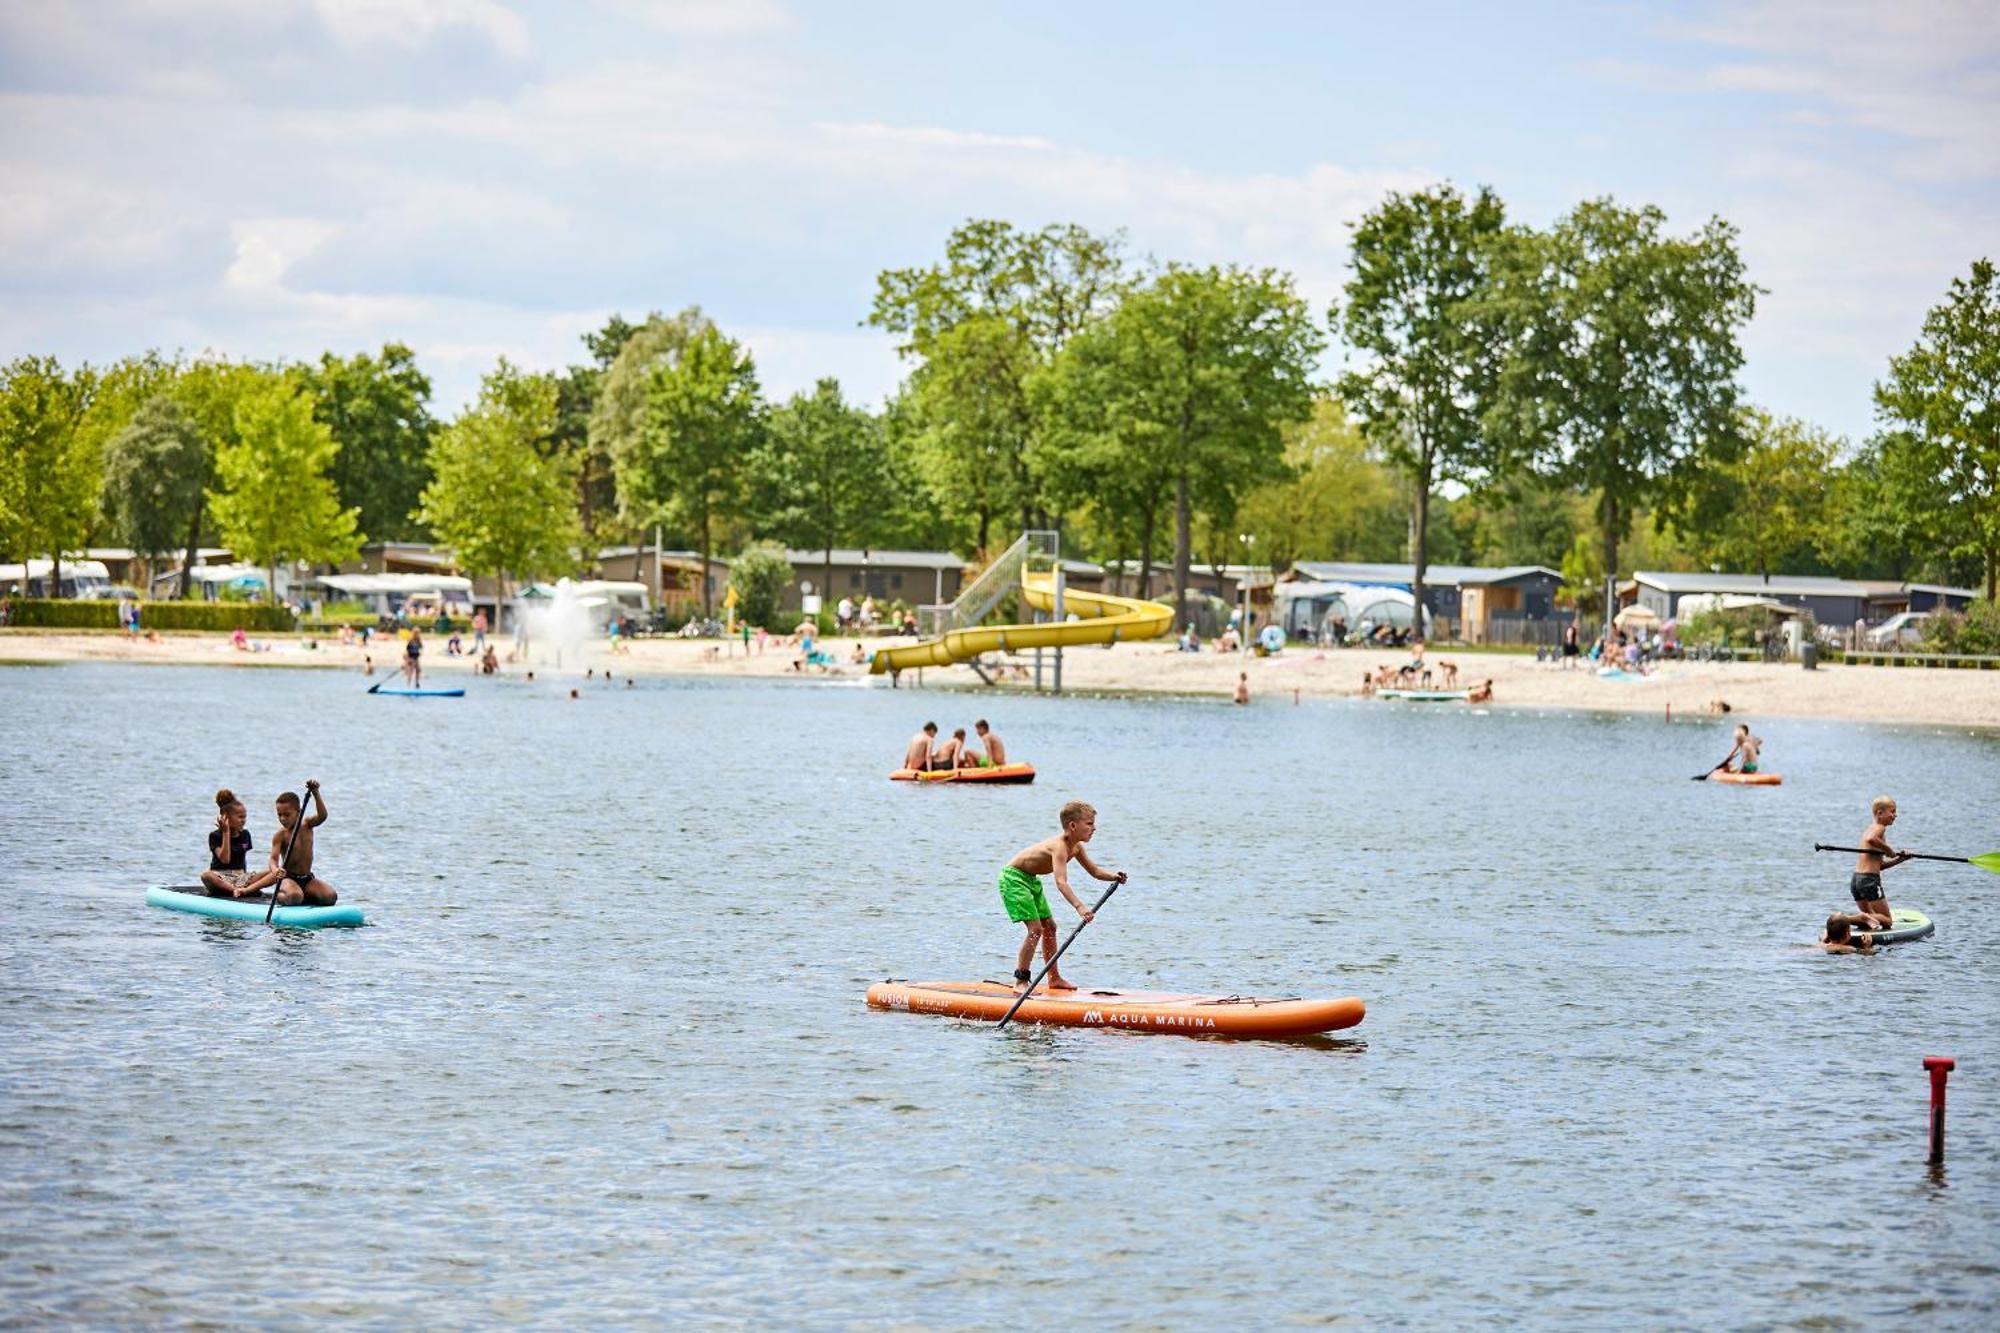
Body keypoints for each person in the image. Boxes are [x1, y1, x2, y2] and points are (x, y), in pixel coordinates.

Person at [999, 800, 1126, 992]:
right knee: (1035, 929)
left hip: (1031, 879)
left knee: (1050, 927)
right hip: (1014, 879)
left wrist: (1113, 876)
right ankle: (1021, 980)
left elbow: (1094, 871)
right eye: (1089, 824)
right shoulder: (1059, 847)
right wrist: (1079, 907)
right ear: (1073, 826)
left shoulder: (1076, 847)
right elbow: (1061, 882)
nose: (1094, 828)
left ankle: (1054, 978)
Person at [266, 781, 337, 906]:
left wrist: (315, 793)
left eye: (287, 815)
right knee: (295, 897)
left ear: (298, 812)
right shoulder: (280, 835)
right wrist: (275, 870)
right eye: (279, 815)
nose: (282, 819)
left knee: (330, 897)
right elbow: (273, 859)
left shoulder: (308, 824)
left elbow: (322, 816)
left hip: (307, 879)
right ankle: (280, 895)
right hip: (289, 878)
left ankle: (305, 894)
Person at [1848, 796, 1909, 930]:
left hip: (1857, 879)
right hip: (1869, 880)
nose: (1895, 815)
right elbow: (1871, 839)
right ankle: (1856, 918)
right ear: (1880, 813)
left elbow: (1879, 865)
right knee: (1887, 921)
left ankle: (1854, 919)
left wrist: (1900, 859)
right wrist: (1888, 849)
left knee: (1871, 916)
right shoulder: (1879, 828)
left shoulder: (1869, 829)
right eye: (1892, 811)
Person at [200, 788, 259, 898]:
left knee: (274, 872)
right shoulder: (215, 836)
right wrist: (226, 833)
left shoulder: (245, 834)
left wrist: (245, 877)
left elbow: (243, 861)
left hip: (240, 877)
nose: (243, 820)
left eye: (244, 817)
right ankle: (235, 890)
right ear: (226, 817)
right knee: (206, 876)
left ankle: (243, 889)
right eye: (240, 817)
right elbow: (225, 859)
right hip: (221, 877)